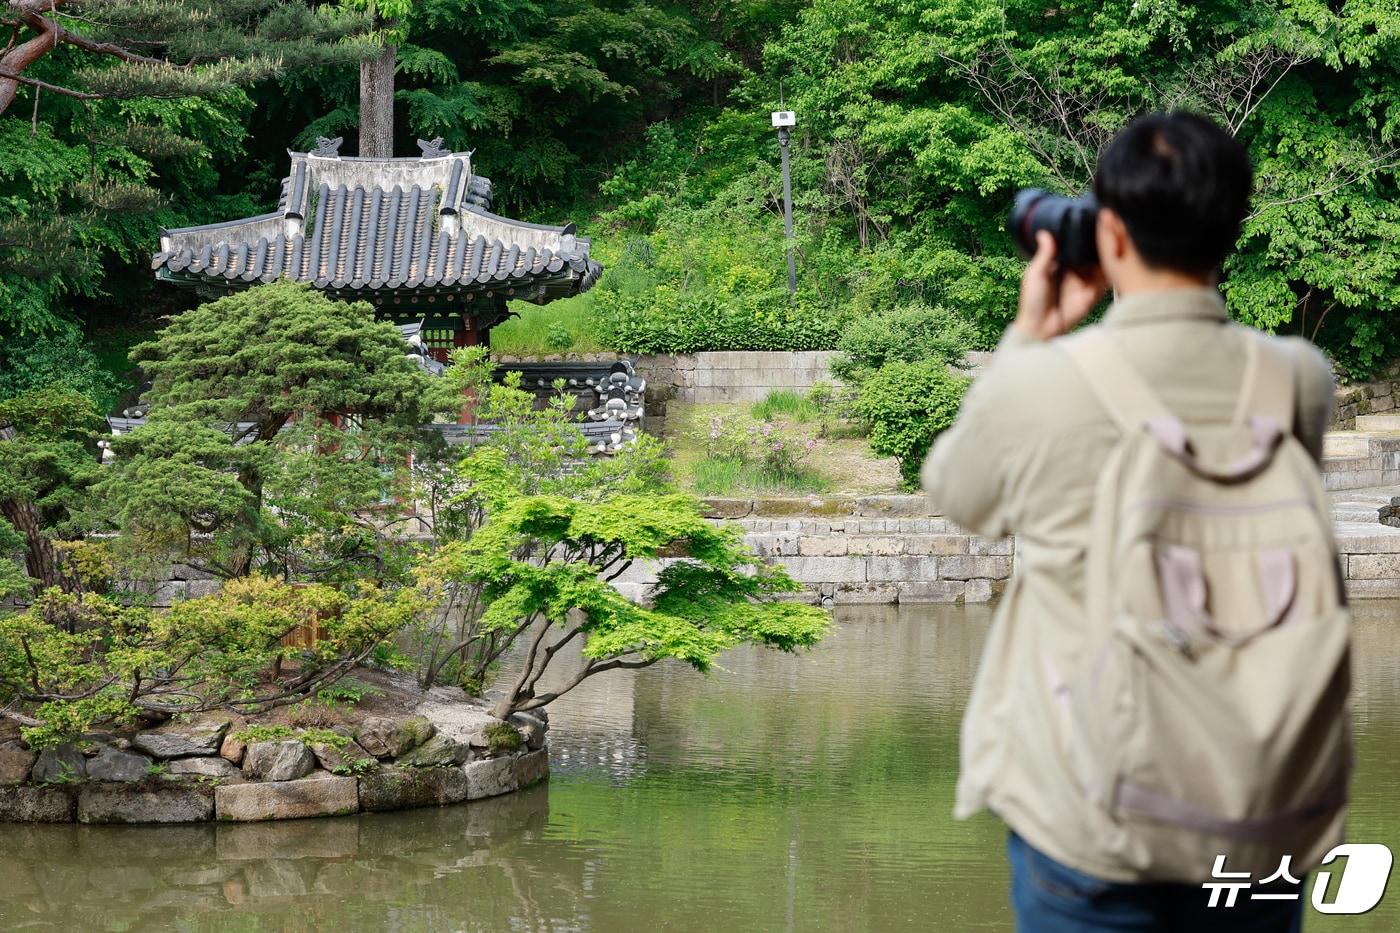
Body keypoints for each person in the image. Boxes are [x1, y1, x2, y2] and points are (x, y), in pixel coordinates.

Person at [921, 112, 1340, 932]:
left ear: (1108, 231)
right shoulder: (1298, 379)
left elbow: (958, 492)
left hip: (1091, 815)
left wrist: (1030, 332)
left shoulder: (1042, 385)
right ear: (1231, 227)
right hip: (1256, 808)